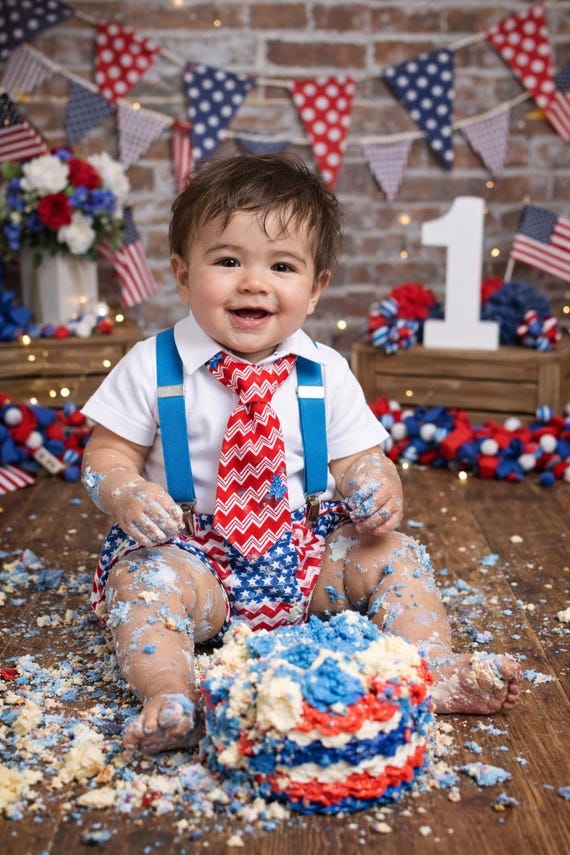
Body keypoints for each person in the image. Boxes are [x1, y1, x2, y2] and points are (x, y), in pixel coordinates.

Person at [81, 153, 521, 755]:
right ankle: (172, 694)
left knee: (393, 554)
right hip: (192, 558)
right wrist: (126, 490)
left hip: (303, 554)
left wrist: (375, 484)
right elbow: (105, 454)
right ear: (183, 275)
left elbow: (363, 459)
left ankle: (433, 665)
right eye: (228, 260)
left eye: (281, 266)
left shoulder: (325, 372)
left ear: (315, 289)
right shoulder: (150, 367)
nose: (254, 282)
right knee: (143, 583)